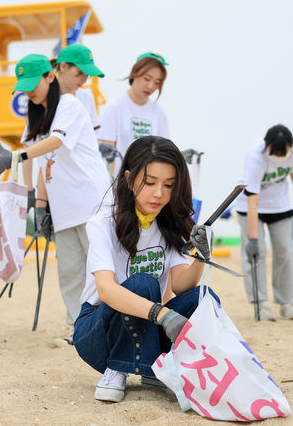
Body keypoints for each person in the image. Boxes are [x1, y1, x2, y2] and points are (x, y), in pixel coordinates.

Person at [73, 136, 217, 403]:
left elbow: (180, 286)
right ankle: (117, 366)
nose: (159, 193)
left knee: (204, 297)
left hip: (150, 327)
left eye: (169, 185)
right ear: (129, 179)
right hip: (98, 331)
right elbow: (105, 290)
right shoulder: (102, 222)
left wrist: (200, 258)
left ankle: (152, 366)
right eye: (150, 183)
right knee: (143, 283)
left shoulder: (168, 224)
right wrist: (162, 314)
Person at [0, 54, 110, 337]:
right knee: (70, 270)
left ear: (50, 76)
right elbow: (41, 161)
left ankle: (104, 326)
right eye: (24, 85)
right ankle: (78, 328)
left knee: (100, 267)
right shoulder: (37, 113)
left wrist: (14, 156)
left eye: (34, 83)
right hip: (63, 206)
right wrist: (38, 204)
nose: (29, 90)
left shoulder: (69, 105)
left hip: (90, 199)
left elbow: (54, 143)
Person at [235, 124, 293, 321]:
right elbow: (253, 202)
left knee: (284, 251)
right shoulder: (255, 156)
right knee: (257, 253)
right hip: (249, 206)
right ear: (266, 147)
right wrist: (252, 240)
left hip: (279, 204)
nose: (278, 156)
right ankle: (261, 304)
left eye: (282, 152)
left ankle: (286, 304)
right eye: (274, 152)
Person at [97, 52, 170, 166]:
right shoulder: (114, 106)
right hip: (120, 181)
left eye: (157, 82)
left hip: (149, 181)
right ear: (134, 74)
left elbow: (165, 154)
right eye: (147, 79)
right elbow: (107, 155)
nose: (151, 86)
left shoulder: (159, 112)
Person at [53, 43, 104, 132]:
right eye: (79, 73)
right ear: (63, 66)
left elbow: (95, 134)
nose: (84, 80)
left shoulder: (87, 98)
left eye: (87, 75)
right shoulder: (44, 97)